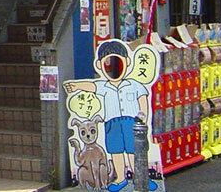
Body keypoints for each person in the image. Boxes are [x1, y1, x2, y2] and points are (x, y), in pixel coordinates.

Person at [64, 40, 154, 191]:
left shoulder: (134, 84)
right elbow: (91, 86)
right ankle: (121, 178)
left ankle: (141, 178)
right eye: (107, 62)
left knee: (134, 150)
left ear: (127, 62)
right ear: (99, 65)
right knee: (115, 151)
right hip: (111, 123)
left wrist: (143, 116)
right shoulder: (103, 86)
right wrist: (76, 86)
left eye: (118, 61)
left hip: (131, 122)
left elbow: (143, 98)